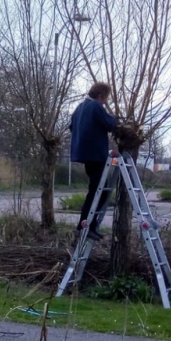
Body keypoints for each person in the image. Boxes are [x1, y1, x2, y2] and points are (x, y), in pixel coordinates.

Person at [69, 82, 117, 238]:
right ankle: (85, 226)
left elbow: (72, 127)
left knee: (97, 189)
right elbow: (110, 124)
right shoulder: (96, 106)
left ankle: (89, 225)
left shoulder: (79, 107)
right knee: (99, 191)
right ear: (101, 96)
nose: (106, 102)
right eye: (106, 99)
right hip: (96, 154)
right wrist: (115, 119)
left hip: (85, 154)